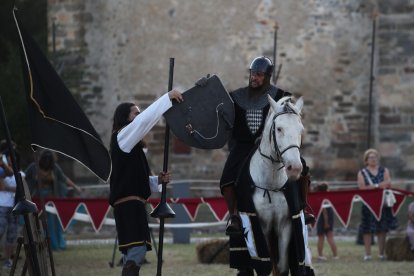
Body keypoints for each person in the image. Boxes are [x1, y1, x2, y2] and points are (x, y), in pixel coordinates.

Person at [219, 56, 312, 275]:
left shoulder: (281, 96)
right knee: (227, 178)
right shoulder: (236, 97)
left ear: (267, 76)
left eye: (259, 74)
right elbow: (229, 126)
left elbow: (290, 122)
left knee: (303, 169)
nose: (254, 77)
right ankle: (234, 215)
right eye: (252, 73)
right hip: (244, 146)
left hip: (273, 147)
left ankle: (303, 207)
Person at [109, 89, 183, 276]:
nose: (139, 116)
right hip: (128, 206)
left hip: (133, 205)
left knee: (132, 254)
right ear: (125, 118)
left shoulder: (131, 147)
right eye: (135, 113)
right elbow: (145, 121)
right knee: (136, 251)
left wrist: (157, 180)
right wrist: (167, 98)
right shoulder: (122, 136)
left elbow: (135, 180)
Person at [25, 150, 82, 250]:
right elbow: (23, 178)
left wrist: (76, 187)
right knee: (40, 223)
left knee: (54, 223)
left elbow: (64, 178)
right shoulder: (33, 167)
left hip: (53, 200)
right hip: (37, 200)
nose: (47, 162)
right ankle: (43, 244)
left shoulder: (55, 168)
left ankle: (57, 244)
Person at [357, 148, 398, 261]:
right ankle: (368, 254)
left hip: (382, 205)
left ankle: (381, 254)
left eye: (375, 157)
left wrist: (373, 186)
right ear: (366, 160)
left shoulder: (384, 170)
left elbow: (388, 182)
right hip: (368, 204)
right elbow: (362, 187)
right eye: (371, 157)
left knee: (382, 229)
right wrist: (378, 186)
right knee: (367, 230)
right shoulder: (362, 173)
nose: (373, 159)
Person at [0, 141, 21, 269]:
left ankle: (7, 260)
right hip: (2, 206)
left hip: (14, 207)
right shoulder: (3, 169)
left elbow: (21, 188)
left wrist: (8, 188)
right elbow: (1, 186)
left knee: (12, 236)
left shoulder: (20, 174)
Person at [314, 182, 338, 261]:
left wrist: (326, 222)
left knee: (322, 237)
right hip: (325, 219)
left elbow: (324, 212)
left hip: (323, 219)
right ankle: (335, 255)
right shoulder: (327, 198)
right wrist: (327, 222)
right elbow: (325, 212)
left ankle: (321, 255)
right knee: (330, 237)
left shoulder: (321, 199)